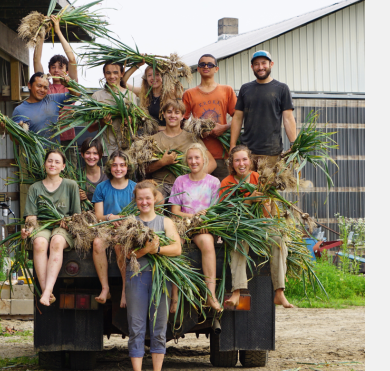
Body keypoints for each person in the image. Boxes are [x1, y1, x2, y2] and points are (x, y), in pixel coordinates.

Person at [219, 145, 294, 309]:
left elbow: (268, 208)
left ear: (250, 161)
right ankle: (237, 291)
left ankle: (279, 291)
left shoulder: (258, 178)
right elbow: (225, 211)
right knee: (238, 243)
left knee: (279, 239)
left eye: (244, 159)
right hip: (239, 226)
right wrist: (249, 200)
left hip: (261, 225)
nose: (241, 163)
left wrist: (266, 208)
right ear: (231, 164)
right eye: (237, 160)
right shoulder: (227, 182)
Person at [125, 180, 182, 371]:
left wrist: (155, 249)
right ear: (135, 200)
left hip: (160, 279)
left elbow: (177, 248)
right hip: (136, 278)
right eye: (140, 199)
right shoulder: (130, 223)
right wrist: (144, 251)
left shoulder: (165, 222)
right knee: (136, 327)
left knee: (159, 327)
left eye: (148, 198)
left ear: (155, 198)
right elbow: (126, 255)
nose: (144, 202)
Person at [20, 150, 81, 306]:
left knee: (57, 241)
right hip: (43, 225)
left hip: (64, 227)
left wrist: (69, 221)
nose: (52, 164)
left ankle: (47, 292)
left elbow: (77, 216)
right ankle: (46, 291)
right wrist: (28, 229)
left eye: (57, 162)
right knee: (39, 243)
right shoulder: (35, 188)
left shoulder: (71, 185)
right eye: (50, 161)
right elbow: (31, 217)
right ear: (44, 164)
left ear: (63, 166)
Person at [169, 143, 222, 311]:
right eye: (190, 158)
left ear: (204, 160)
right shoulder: (180, 181)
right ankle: (174, 297)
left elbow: (216, 210)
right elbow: (175, 211)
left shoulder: (213, 182)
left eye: (197, 158)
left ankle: (210, 295)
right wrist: (192, 217)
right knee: (175, 247)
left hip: (204, 227)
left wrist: (204, 222)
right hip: (183, 226)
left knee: (207, 243)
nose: (193, 161)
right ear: (186, 161)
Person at [229, 50, 297, 169]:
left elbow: (288, 119)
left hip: (271, 152)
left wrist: (294, 144)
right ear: (252, 67)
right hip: (246, 152)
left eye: (264, 63)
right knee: (246, 187)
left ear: (271, 64)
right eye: (256, 64)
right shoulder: (245, 89)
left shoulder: (281, 88)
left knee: (267, 187)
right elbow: (237, 118)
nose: (260, 67)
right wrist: (233, 145)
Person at [146, 99, 217, 199]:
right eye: (169, 112)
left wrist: (195, 178)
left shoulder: (191, 138)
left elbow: (212, 163)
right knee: (156, 200)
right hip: (161, 185)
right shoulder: (153, 140)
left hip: (185, 185)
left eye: (177, 112)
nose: (173, 116)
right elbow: (144, 169)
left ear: (183, 116)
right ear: (163, 114)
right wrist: (162, 162)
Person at [91, 150, 137, 304]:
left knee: (119, 244)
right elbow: (98, 216)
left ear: (128, 167)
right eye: (115, 165)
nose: (118, 169)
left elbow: (140, 214)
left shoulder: (135, 188)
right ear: (110, 167)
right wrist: (110, 218)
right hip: (107, 227)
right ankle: (105, 288)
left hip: (127, 229)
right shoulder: (102, 188)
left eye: (122, 165)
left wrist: (125, 222)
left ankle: (125, 290)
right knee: (97, 242)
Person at [182, 54, 237, 181]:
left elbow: (238, 118)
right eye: (202, 64)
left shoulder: (227, 90)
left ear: (216, 69)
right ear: (198, 69)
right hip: (199, 156)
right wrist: (197, 130)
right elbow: (182, 122)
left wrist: (224, 127)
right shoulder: (189, 94)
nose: (206, 66)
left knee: (223, 195)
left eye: (210, 64)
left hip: (223, 155)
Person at [33, 15, 79, 144]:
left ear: (67, 70)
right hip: (47, 136)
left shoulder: (71, 86)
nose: (56, 70)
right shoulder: (45, 86)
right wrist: (42, 33)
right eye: (53, 67)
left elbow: (72, 60)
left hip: (68, 138)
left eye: (60, 67)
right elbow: (36, 60)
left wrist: (58, 30)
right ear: (49, 71)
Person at [88, 61, 138, 155]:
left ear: (122, 74)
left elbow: (136, 127)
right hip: (104, 150)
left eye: (115, 72)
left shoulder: (130, 96)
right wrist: (102, 123)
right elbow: (90, 128)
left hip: (125, 151)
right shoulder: (97, 97)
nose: (112, 76)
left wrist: (130, 122)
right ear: (104, 75)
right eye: (108, 73)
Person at [11, 72, 77, 143]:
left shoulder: (53, 99)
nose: (42, 90)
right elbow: (16, 141)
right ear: (29, 85)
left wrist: (69, 85)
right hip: (35, 153)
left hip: (54, 152)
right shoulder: (20, 110)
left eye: (45, 87)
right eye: (39, 86)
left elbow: (77, 96)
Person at [123, 63, 167, 130]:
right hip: (148, 136)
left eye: (157, 74)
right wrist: (137, 65)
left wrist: (157, 128)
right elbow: (123, 82)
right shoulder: (142, 93)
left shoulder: (170, 94)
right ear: (146, 78)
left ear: (163, 76)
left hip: (166, 136)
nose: (153, 78)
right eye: (149, 75)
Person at [78, 137, 108, 202]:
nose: (91, 157)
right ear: (82, 154)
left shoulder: (107, 173)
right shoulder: (76, 175)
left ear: (100, 155)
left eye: (95, 153)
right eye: (88, 153)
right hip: (85, 212)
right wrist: (76, 197)